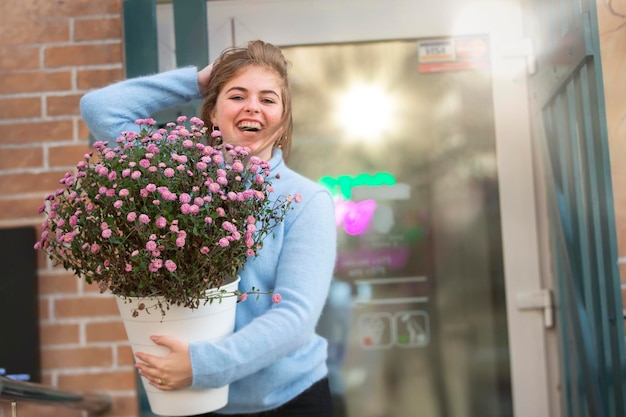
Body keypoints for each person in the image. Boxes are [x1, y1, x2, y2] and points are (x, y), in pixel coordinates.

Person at [80, 40, 338, 417]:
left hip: (286, 401)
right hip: (195, 401)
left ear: (282, 120)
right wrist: (200, 80)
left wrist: (201, 366)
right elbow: (100, 109)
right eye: (237, 95)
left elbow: (295, 319)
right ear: (213, 114)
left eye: (268, 100)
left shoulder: (306, 201)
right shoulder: (177, 176)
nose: (253, 106)